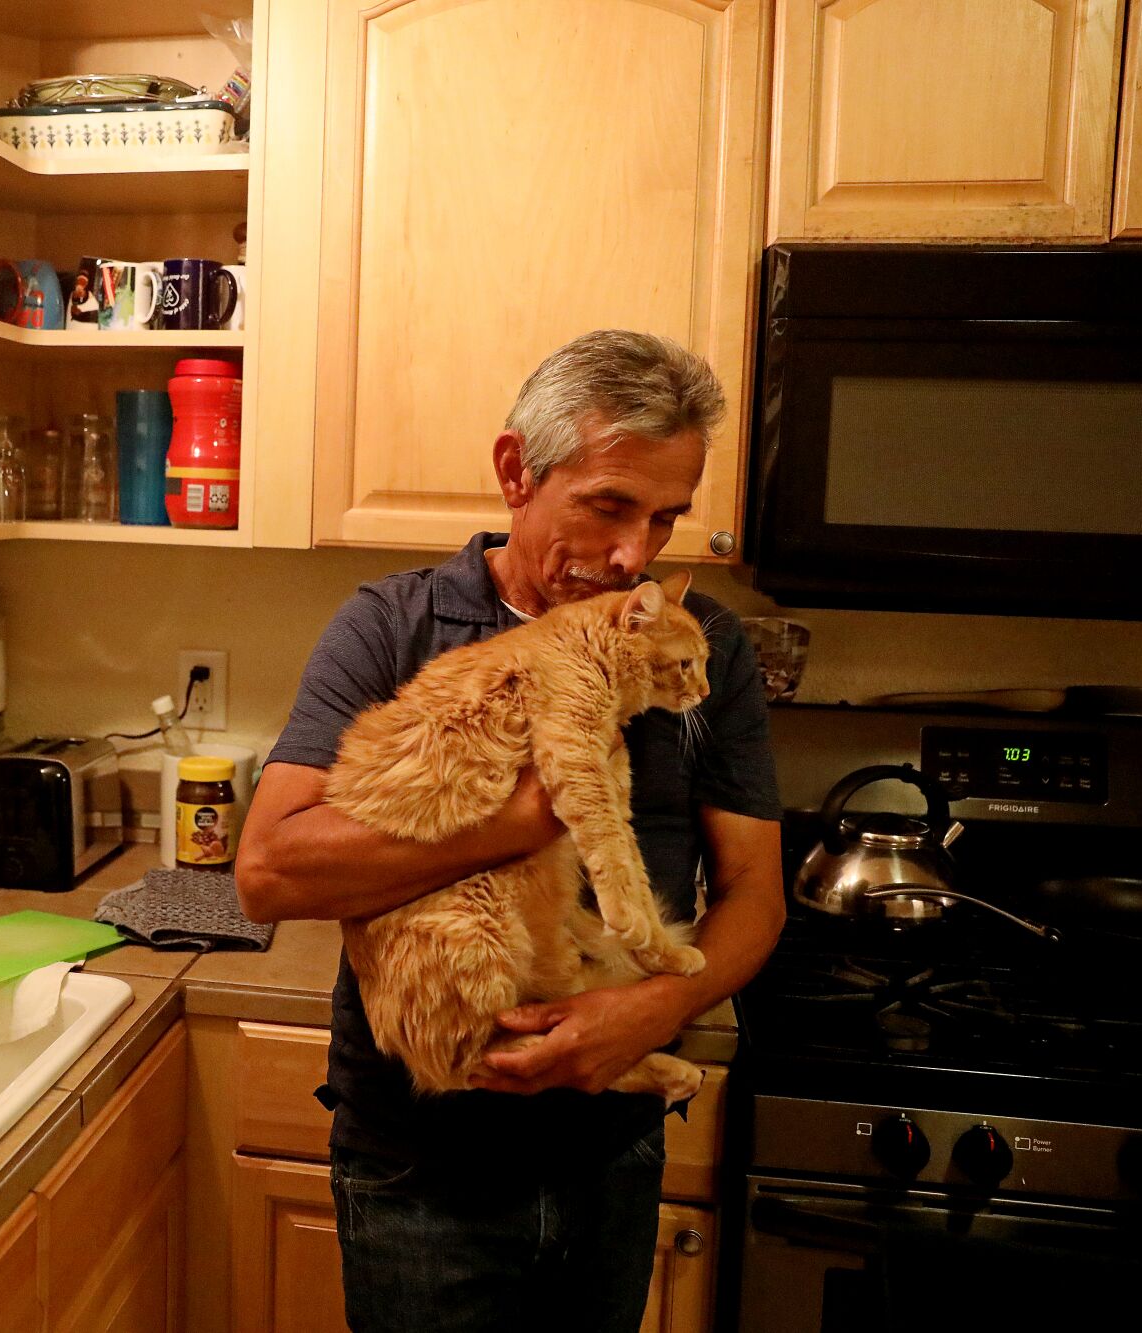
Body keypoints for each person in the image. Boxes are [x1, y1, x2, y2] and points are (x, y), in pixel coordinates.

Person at [235, 330, 786, 1332]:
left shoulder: (694, 644)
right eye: (607, 505)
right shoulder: (392, 626)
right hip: (418, 1162)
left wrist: (653, 1009)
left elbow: (756, 893)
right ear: (513, 472)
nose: (633, 554)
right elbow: (269, 871)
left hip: (610, 1148)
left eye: (664, 517)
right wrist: (521, 821)